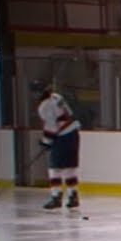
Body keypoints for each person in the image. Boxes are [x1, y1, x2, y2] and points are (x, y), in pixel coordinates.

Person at [32, 79, 82, 211]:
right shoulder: (57, 96)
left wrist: (45, 142)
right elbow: (67, 114)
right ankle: (73, 196)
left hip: (62, 137)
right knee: (70, 167)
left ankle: (56, 197)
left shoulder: (44, 106)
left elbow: (51, 127)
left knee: (54, 168)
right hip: (74, 133)